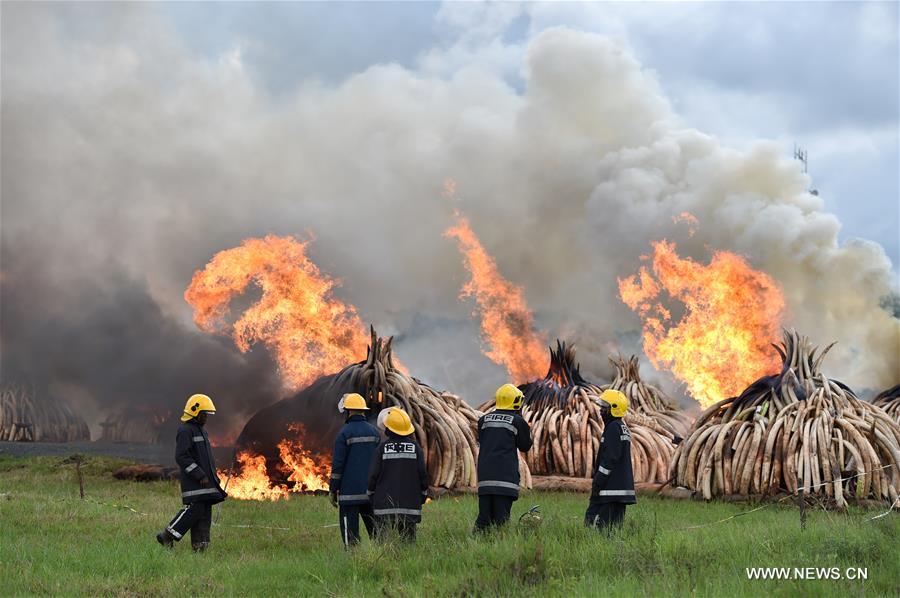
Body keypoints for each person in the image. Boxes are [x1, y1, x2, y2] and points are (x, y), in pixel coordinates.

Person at [156, 393, 226, 551]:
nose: (206, 417)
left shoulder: (202, 431)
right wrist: (199, 474)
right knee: (195, 509)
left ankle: (200, 545)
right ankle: (167, 535)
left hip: (206, 482)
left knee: (205, 511)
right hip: (194, 482)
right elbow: (182, 456)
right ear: (195, 412)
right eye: (204, 414)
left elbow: (205, 458)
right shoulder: (185, 431)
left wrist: (213, 477)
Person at [473, 383, 532, 532]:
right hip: (505, 477)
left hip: (485, 476)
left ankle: (476, 543)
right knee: (501, 519)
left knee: (484, 518)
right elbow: (525, 446)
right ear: (516, 402)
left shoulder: (483, 420)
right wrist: (522, 420)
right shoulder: (518, 422)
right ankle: (499, 546)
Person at [367, 408, 429, 542]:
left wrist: (370, 493)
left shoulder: (382, 449)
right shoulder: (415, 448)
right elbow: (422, 474)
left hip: (384, 505)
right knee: (408, 542)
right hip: (409, 505)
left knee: (382, 541)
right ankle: (407, 561)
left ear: (389, 430)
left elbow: (373, 475)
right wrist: (423, 494)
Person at [329, 393, 381, 547]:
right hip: (371, 493)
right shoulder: (375, 433)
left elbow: (338, 465)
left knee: (350, 535)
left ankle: (353, 558)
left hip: (349, 494)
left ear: (348, 411)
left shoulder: (344, 433)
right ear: (362, 411)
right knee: (376, 532)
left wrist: (333, 489)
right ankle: (381, 555)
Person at [585, 389, 635, 533]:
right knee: (614, 530)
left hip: (609, 489)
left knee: (596, 524)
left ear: (614, 409)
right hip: (620, 490)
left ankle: (594, 549)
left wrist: (598, 481)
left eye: (604, 408)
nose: (601, 411)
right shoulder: (622, 428)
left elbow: (610, 459)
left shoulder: (613, 428)